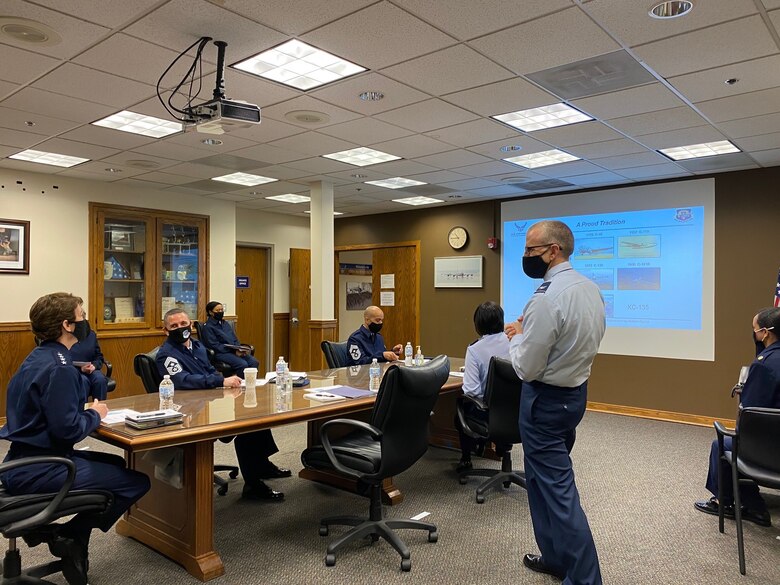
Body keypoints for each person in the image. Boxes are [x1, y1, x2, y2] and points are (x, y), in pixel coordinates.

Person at [0, 293, 150, 585]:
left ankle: (70, 535)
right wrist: (95, 412)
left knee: (116, 464)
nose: (85, 323)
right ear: (67, 325)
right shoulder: (60, 369)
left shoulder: (39, 358)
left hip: (20, 461)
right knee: (136, 481)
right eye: (81, 317)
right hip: (42, 467)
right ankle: (72, 534)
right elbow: (68, 430)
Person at [505, 220, 606, 585]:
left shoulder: (546, 298)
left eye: (531, 250)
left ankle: (584, 578)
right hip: (573, 396)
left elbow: (526, 367)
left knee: (558, 490)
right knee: (541, 482)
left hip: (544, 401)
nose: (526, 257)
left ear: (553, 251)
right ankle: (555, 557)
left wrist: (517, 337)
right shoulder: (590, 289)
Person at [155, 308, 290, 501]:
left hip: (210, 400)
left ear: (191, 325)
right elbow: (182, 380)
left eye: (183, 324)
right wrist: (220, 382)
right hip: (191, 410)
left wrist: (227, 382)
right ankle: (253, 485)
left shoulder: (197, 346)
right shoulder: (166, 354)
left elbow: (210, 371)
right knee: (246, 424)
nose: (180, 328)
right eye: (174, 326)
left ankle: (262, 465)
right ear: (166, 330)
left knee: (255, 412)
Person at [694, 307, 780, 527]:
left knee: (722, 444)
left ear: (765, 333)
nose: (754, 335)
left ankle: (740, 504)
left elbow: (749, 414)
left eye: (755, 330)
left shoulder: (763, 365)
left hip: (771, 452)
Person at [454, 301, 510, 473]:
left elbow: (471, 390)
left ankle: (466, 459)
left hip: (489, 415)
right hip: (517, 413)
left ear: (477, 325)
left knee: (461, 406)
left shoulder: (475, 349)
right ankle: (502, 447)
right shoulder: (516, 342)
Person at [200, 301, 259, 376]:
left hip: (233, 351)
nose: (220, 312)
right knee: (242, 364)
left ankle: (251, 383)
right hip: (221, 353)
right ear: (211, 312)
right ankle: (239, 385)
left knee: (254, 362)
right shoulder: (208, 327)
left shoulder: (225, 324)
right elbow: (214, 345)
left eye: (222, 310)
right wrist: (233, 350)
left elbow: (234, 338)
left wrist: (239, 349)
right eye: (218, 310)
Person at [69, 321, 110, 400]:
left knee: (100, 380)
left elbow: (99, 357)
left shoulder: (91, 334)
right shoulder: (66, 336)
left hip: (91, 369)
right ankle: (82, 411)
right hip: (73, 370)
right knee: (83, 381)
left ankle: (99, 409)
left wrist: (94, 366)